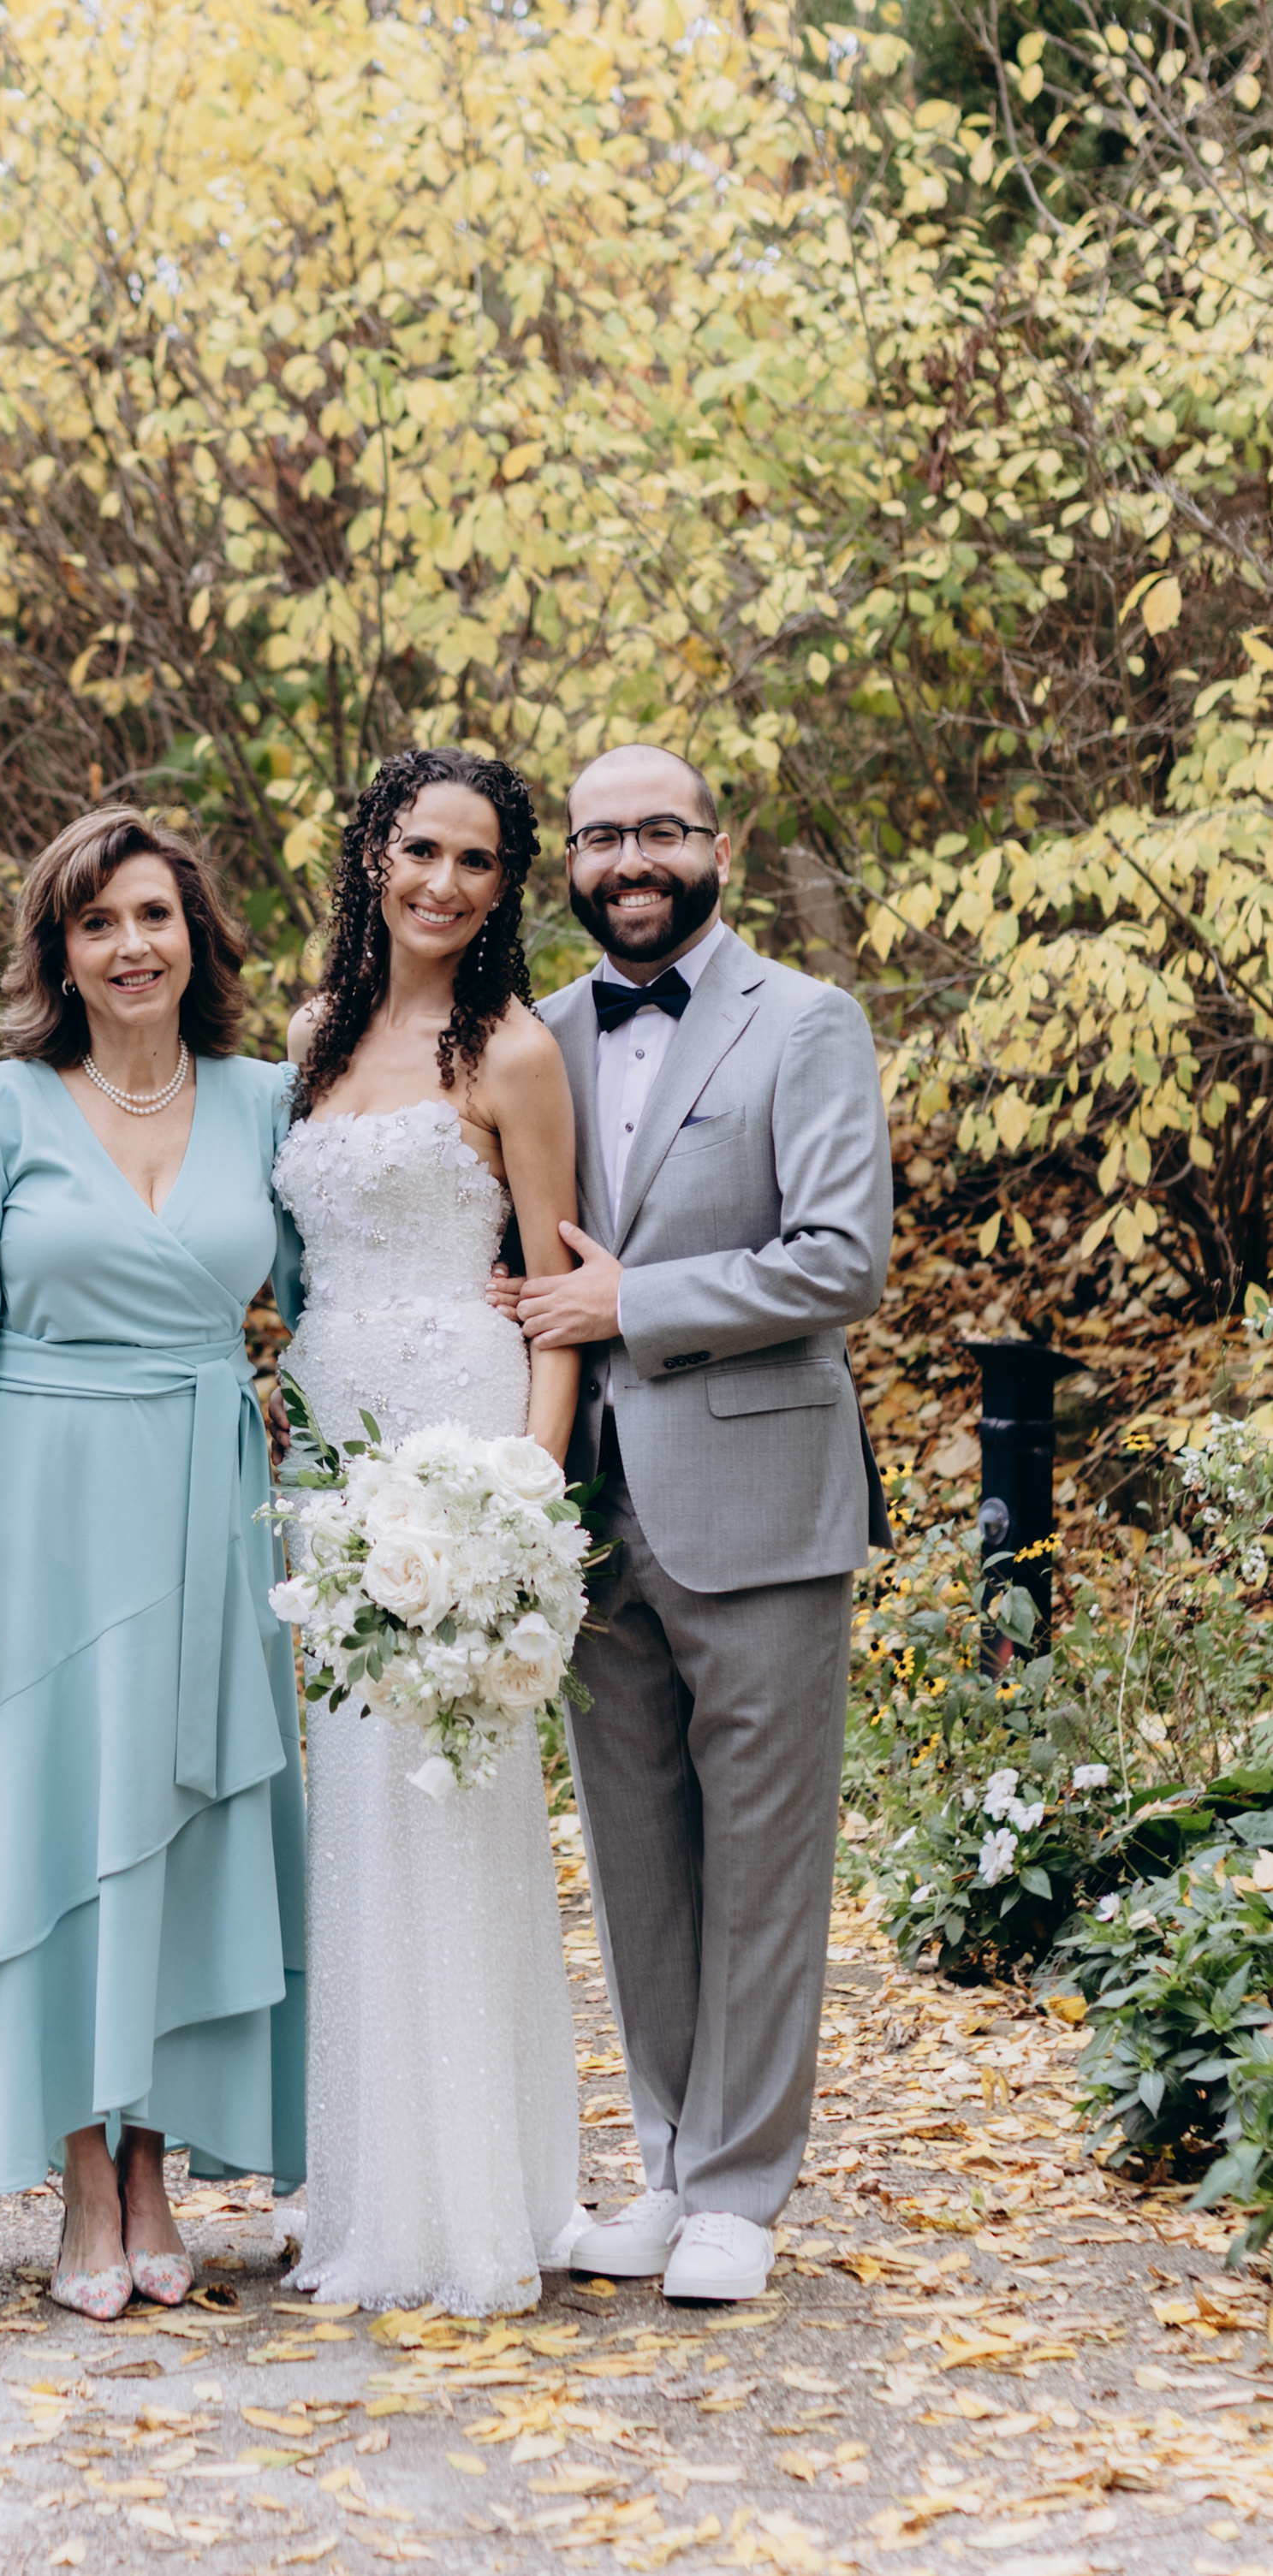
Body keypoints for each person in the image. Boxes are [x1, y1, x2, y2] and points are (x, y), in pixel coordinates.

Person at [0, 808, 306, 2321]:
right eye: (97, 921)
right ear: (59, 950)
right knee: (51, 1830)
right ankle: (82, 2181)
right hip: (39, 1508)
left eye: (154, 914)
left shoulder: (268, 1101)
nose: (130, 945)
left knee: (184, 1826)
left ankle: (156, 2163)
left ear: (198, 935)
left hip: (209, 1504)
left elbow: (327, 1308)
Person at [514, 743, 892, 2304]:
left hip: (760, 1499)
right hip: (587, 1510)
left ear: (715, 847)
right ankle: (670, 2166)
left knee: (764, 1857)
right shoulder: (532, 1033)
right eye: (601, 837)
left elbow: (842, 1258)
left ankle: (742, 2187)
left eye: (660, 831)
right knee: (638, 1861)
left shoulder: (804, 1020)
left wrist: (636, 1302)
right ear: (571, 864)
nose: (631, 861)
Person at [272, 745, 583, 2316]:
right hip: (329, 1457)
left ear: (506, 886)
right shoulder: (309, 1035)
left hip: (459, 1452)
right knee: (351, 1807)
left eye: (476, 860)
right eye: (420, 849)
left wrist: (523, 1507)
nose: (442, 883)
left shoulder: (515, 1053)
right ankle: (365, 2189)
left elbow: (558, 1298)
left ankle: (473, 2206)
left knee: (450, 1800)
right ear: (372, 856)